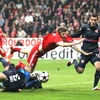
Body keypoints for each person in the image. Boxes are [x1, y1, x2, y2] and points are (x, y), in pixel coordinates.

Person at [10, 26, 92, 73]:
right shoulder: (56, 37)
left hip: (41, 49)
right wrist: (75, 43)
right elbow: (62, 45)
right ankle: (20, 64)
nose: (65, 36)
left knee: (28, 51)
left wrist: (84, 53)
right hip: (37, 52)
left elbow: (74, 46)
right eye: (63, 34)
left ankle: (14, 48)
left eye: (66, 33)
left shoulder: (65, 36)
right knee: (30, 70)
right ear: (59, 33)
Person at [67, 13, 100, 90]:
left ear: (97, 20)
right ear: (89, 20)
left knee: (98, 67)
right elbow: (77, 34)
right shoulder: (85, 27)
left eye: (95, 20)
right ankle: (73, 61)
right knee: (80, 71)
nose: (93, 21)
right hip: (85, 51)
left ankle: (95, 86)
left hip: (94, 51)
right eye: (92, 20)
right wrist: (67, 37)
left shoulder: (99, 28)